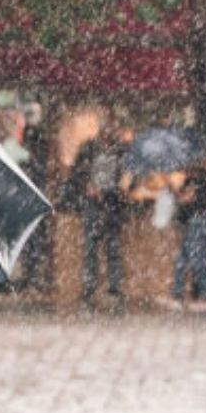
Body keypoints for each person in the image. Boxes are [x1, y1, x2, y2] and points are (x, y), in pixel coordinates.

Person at [67, 118, 131, 310]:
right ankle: (89, 287)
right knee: (90, 248)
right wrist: (86, 185)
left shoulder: (121, 151)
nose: (109, 132)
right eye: (106, 129)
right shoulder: (88, 149)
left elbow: (127, 176)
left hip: (112, 204)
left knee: (112, 248)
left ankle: (114, 287)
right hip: (93, 204)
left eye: (112, 129)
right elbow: (76, 173)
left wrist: (123, 186)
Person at [158, 163, 206, 313]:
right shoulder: (190, 179)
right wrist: (173, 189)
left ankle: (205, 295)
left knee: (196, 261)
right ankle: (177, 295)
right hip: (191, 222)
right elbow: (184, 197)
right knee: (182, 261)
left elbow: (188, 198)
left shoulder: (200, 178)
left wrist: (177, 192)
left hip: (197, 221)